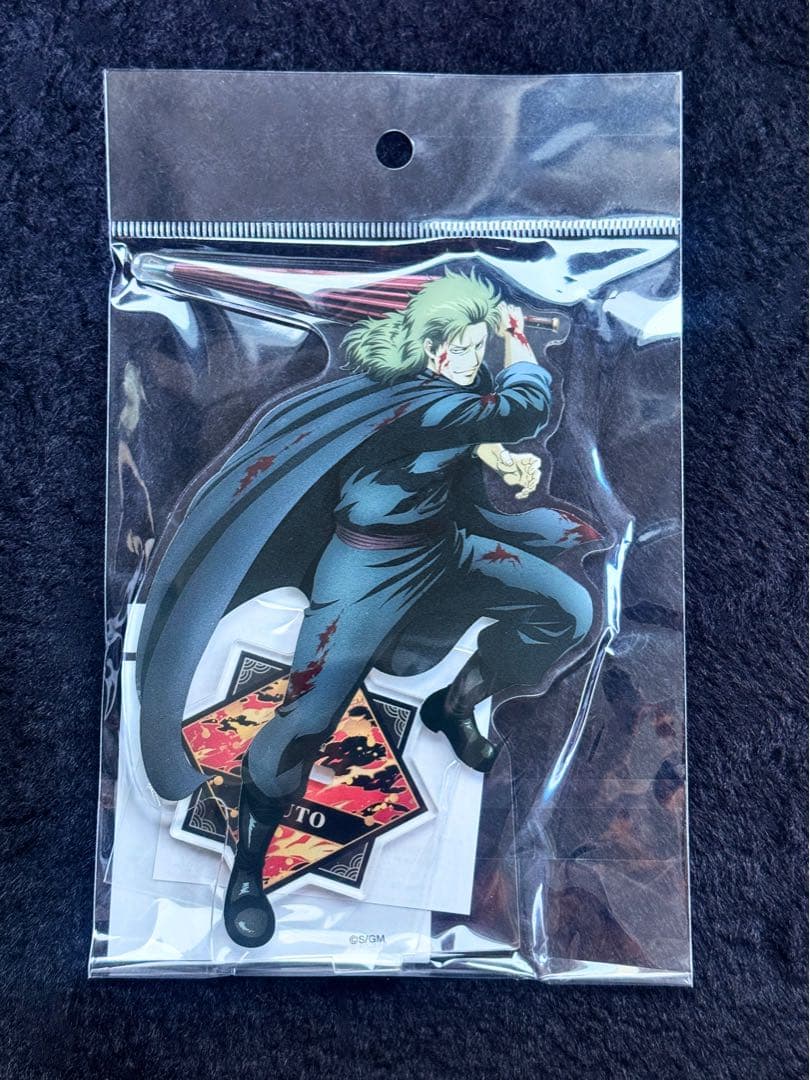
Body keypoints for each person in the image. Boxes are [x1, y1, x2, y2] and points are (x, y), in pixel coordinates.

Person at [135, 271, 596, 948]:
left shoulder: (444, 387)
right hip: (367, 569)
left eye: (483, 348)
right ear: (434, 349)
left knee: (568, 610)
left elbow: (462, 430)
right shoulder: (414, 398)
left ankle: (455, 704)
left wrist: (498, 459)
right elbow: (520, 408)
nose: (479, 359)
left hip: (445, 546)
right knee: (306, 720)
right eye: (471, 347)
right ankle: (249, 869)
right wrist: (518, 341)